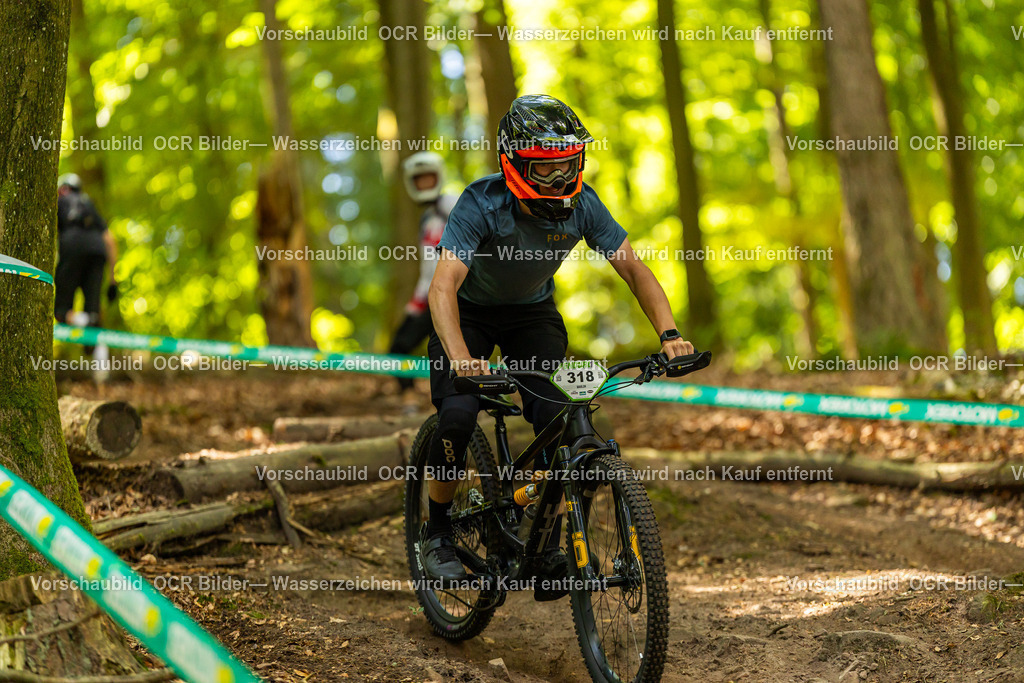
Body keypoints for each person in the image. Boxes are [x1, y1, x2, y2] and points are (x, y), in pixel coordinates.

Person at [420, 95, 694, 600]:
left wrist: (670, 335)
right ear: (515, 164)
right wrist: (461, 358)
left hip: (531, 315)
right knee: (458, 414)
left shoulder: (584, 205)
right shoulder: (481, 203)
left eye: (568, 165)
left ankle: (543, 542)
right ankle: (436, 530)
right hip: (467, 313)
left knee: (559, 419)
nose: (560, 179)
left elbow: (632, 266)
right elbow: (442, 288)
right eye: (546, 170)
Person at [388, 152, 457, 399]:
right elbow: (428, 267)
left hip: (455, 294)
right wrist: (415, 303)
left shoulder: (452, 203)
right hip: (430, 296)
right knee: (399, 346)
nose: (425, 184)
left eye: (429, 178)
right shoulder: (427, 219)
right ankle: (410, 399)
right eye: (420, 179)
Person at [55, 174, 118, 328]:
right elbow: (110, 239)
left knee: (61, 311)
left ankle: (76, 319)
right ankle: (93, 328)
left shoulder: (60, 201)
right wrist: (112, 280)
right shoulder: (89, 205)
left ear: (63, 189)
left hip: (71, 247)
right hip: (98, 251)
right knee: (93, 310)